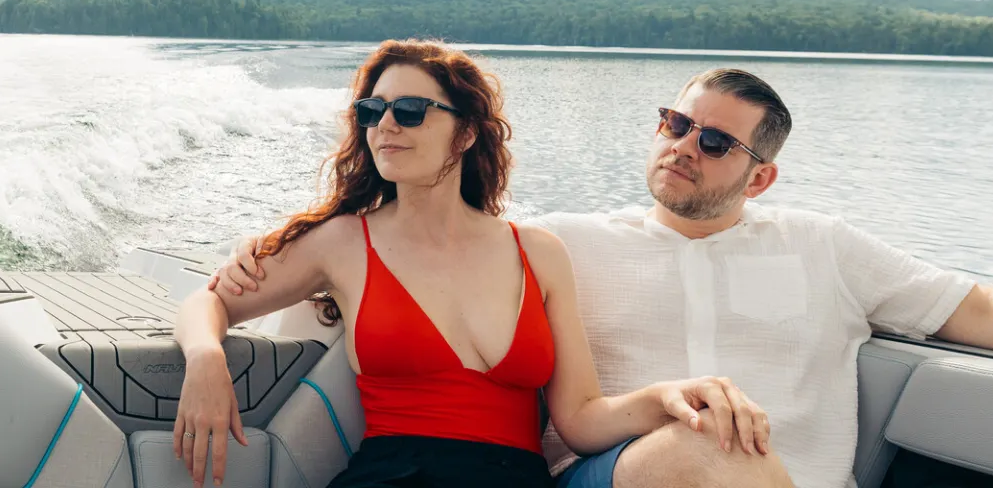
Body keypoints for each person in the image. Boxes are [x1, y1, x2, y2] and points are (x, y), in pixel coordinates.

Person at [213, 66, 993, 488]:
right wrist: (302, 281)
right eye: (673, 121)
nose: (682, 145)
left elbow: (979, 307)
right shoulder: (557, 242)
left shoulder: (825, 246)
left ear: (759, 173)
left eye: (714, 140)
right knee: (705, 451)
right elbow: (408, 251)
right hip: (619, 477)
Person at [172, 41, 795, 488]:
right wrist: (205, 357)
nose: (386, 124)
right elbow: (212, 301)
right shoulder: (342, 242)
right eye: (372, 111)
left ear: (466, 134)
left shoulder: (538, 253)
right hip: (395, 475)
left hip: (516, 478)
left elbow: (578, 419)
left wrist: (668, 396)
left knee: (718, 446)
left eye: (410, 111)